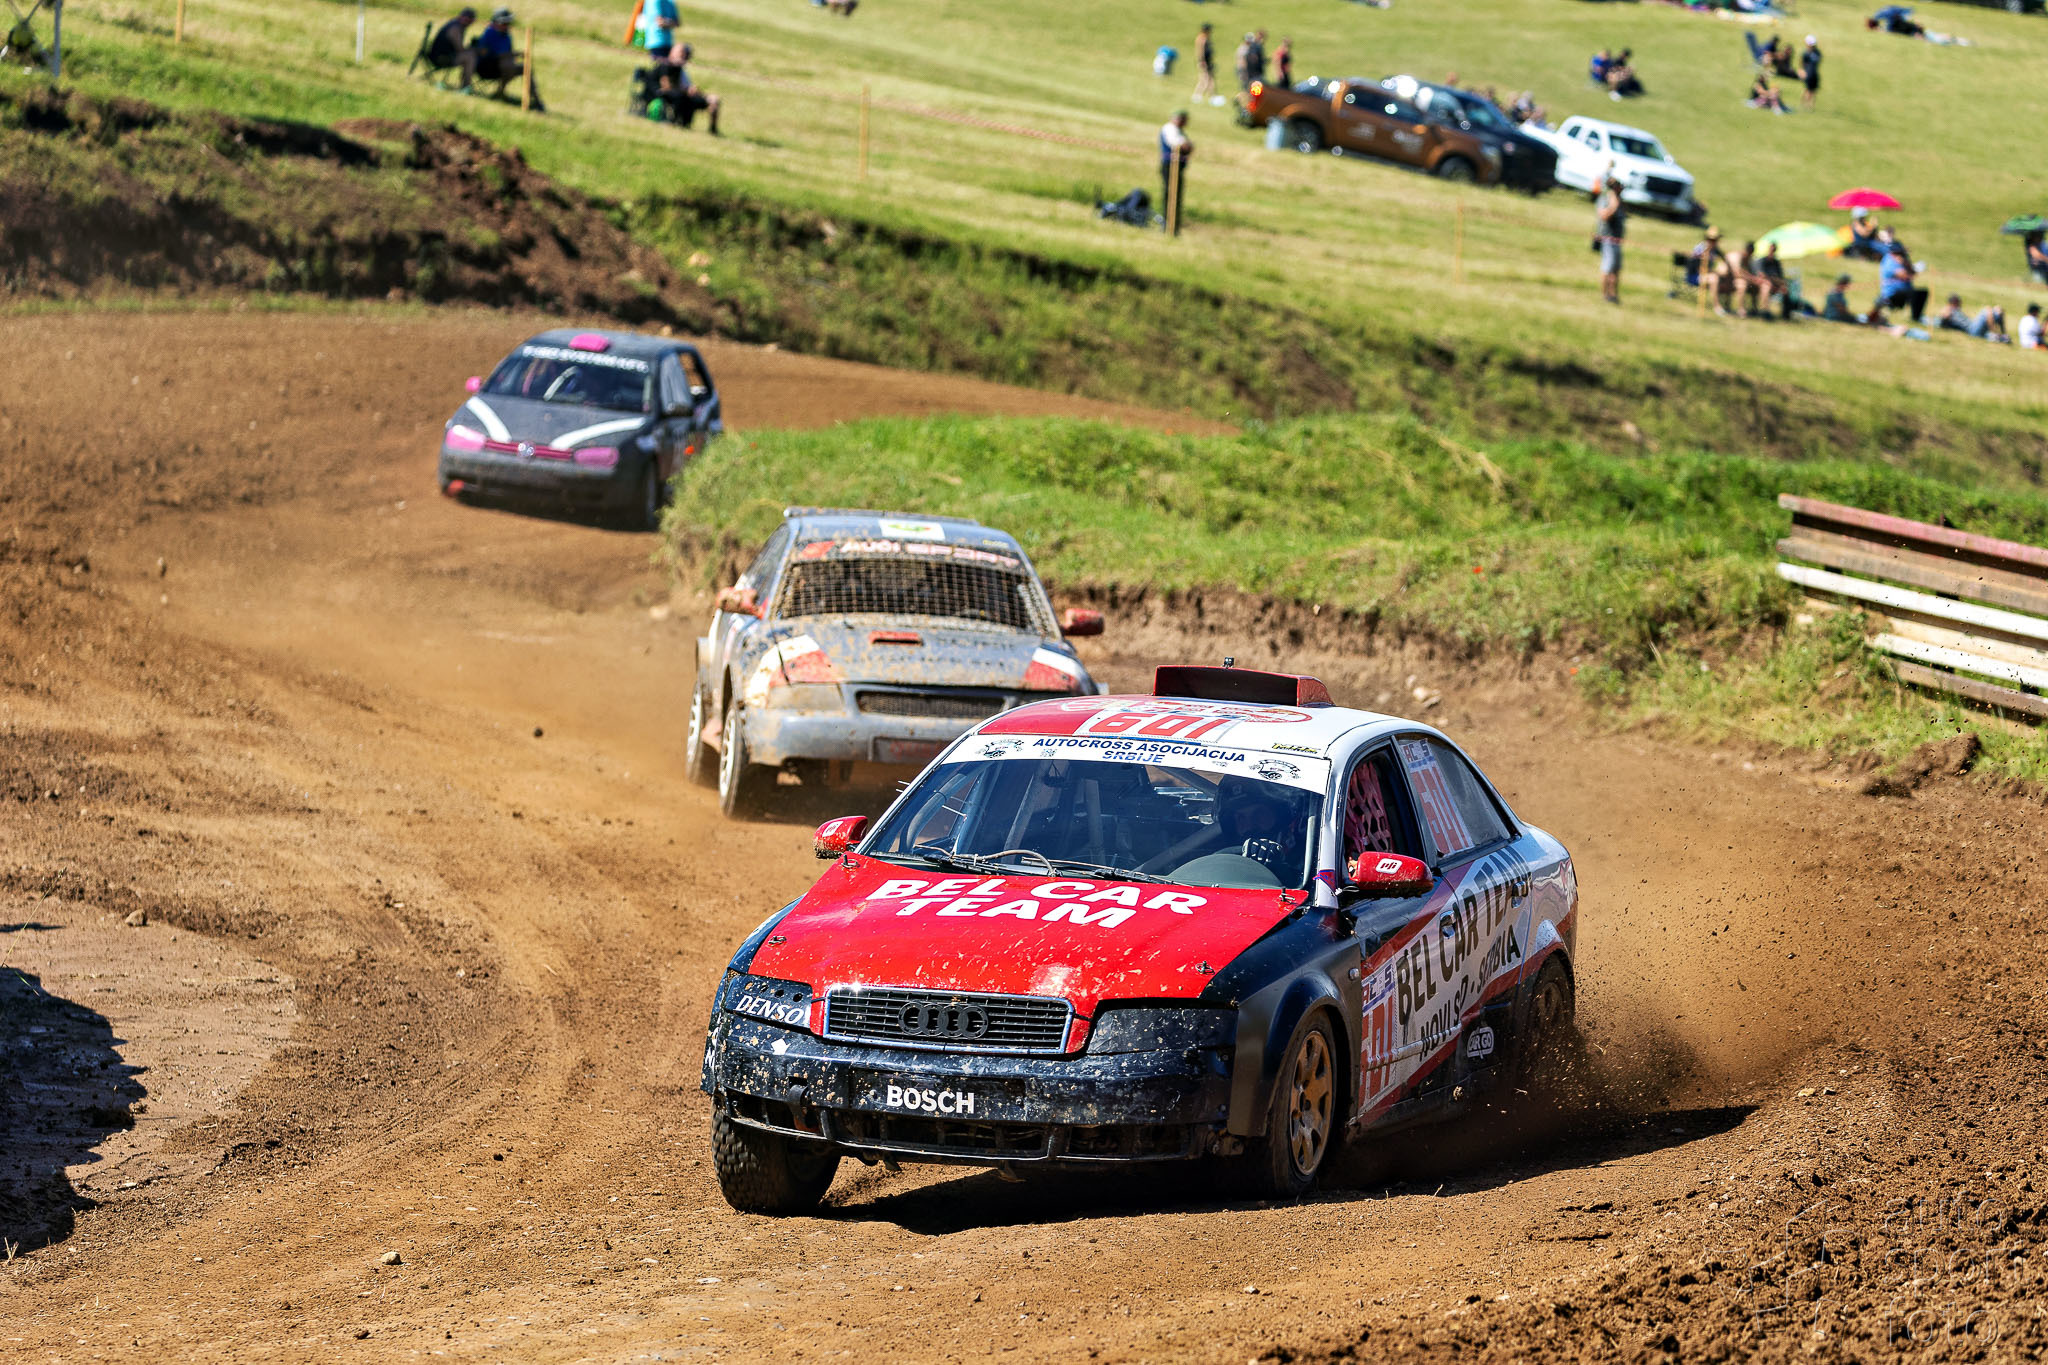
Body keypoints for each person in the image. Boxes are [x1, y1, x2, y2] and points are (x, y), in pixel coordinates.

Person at [659, 43, 719, 132]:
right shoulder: (666, 66)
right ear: (672, 53)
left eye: (685, 54)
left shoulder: (681, 69)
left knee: (714, 99)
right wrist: (686, 90)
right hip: (678, 95)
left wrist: (695, 91)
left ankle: (713, 130)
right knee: (684, 98)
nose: (684, 56)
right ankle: (678, 122)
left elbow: (688, 86)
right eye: (681, 53)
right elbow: (667, 86)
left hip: (688, 94)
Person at [1876, 235, 1929, 322]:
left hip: (1904, 291)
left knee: (1922, 292)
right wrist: (1915, 269)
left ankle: (1916, 317)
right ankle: (1915, 317)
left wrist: (1906, 261)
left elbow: (1911, 272)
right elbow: (1905, 275)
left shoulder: (1902, 260)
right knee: (1914, 294)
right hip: (1892, 294)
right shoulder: (1889, 261)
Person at [1159, 111, 1192, 234]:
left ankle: (1174, 224)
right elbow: (1180, 145)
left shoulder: (1179, 131)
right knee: (1171, 195)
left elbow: (1189, 146)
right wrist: (1186, 146)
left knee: (1177, 196)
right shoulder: (1170, 129)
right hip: (1171, 166)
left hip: (1178, 167)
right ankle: (1168, 224)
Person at [1595, 175, 1626, 305]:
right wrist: (1613, 205)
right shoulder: (1605, 199)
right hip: (1608, 239)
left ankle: (1613, 295)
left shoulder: (1618, 200)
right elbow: (1604, 216)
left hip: (1617, 241)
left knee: (1616, 269)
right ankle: (1605, 295)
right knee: (1607, 268)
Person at [1692, 227, 1738, 314]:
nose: (1714, 242)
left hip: (1708, 274)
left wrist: (1729, 270)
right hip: (1695, 276)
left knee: (1728, 277)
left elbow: (1725, 260)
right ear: (1707, 239)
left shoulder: (1715, 249)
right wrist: (1715, 272)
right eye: (1712, 240)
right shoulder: (1700, 249)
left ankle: (1727, 305)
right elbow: (1698, 269)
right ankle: (1717, 306)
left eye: (1716, 240)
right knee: (1714, 278)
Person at [428, 7, 476, 83]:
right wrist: (471, 50)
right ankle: (466, 85)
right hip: (440, 58)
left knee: (469, 55)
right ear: (462, 17)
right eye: (468, 20)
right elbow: (459, 49)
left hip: (442, 56)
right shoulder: (455, 28)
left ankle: (465, 84)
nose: (469, 23)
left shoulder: (454, 24)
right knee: (470, 57)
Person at [1191, 22, 1216, 103]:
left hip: (1208, 61)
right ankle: (1197, 95)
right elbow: (1200, 51)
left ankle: (1212, 96)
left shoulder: (1207, 38)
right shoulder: (1201, 38)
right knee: (1204, 80)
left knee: (1211, 80)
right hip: (1204, 62)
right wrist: (1202, 62)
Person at [1800, 35, 1821, 110]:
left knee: (1814, 90)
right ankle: (1804, 104)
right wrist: (1802, 71)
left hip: (1814, 73)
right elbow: (1802, 63)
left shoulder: (1817, 52)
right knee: (1807, 89)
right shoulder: (1806, 53)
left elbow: (1817, 62)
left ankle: (1811, 106)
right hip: (1808, 73)